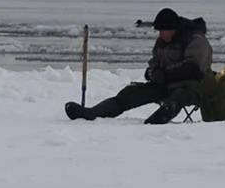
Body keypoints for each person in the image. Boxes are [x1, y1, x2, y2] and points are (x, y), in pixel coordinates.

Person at [65, 8, 214, 124]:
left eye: (163, 31)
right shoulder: (163, 41)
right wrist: (151, 73)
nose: (160, 34)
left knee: (178, 97)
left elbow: (193, 68)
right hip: (166, 85)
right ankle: (93, 113)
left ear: (173, 28)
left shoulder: (196, 39)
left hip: (194, 87)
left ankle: (158, 120)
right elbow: (155, 62)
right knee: (130, 93)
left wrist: (165, 74)